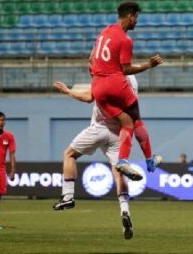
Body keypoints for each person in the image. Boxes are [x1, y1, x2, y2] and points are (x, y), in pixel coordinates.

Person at [52, 76, 160, 240]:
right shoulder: (132, 81)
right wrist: (148, 156)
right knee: (119, 173)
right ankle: (125, 210)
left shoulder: (104, 74)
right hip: (119, 134)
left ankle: (67, 196)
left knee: (69, 154)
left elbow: (88, 97)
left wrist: (68, 91)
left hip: (98, 128)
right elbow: (137, 123)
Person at [89, 1, 162, 179]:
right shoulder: (125, 39)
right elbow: (126, 69)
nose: (137, 21)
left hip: (98, 86)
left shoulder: (105, 31)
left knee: (127, 122)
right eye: (136, 17)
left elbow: (91, 58)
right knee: (136, 118)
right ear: (130, 16)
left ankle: (124, 161)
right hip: (115, 84)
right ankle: (144, 160)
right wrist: (149, 64)